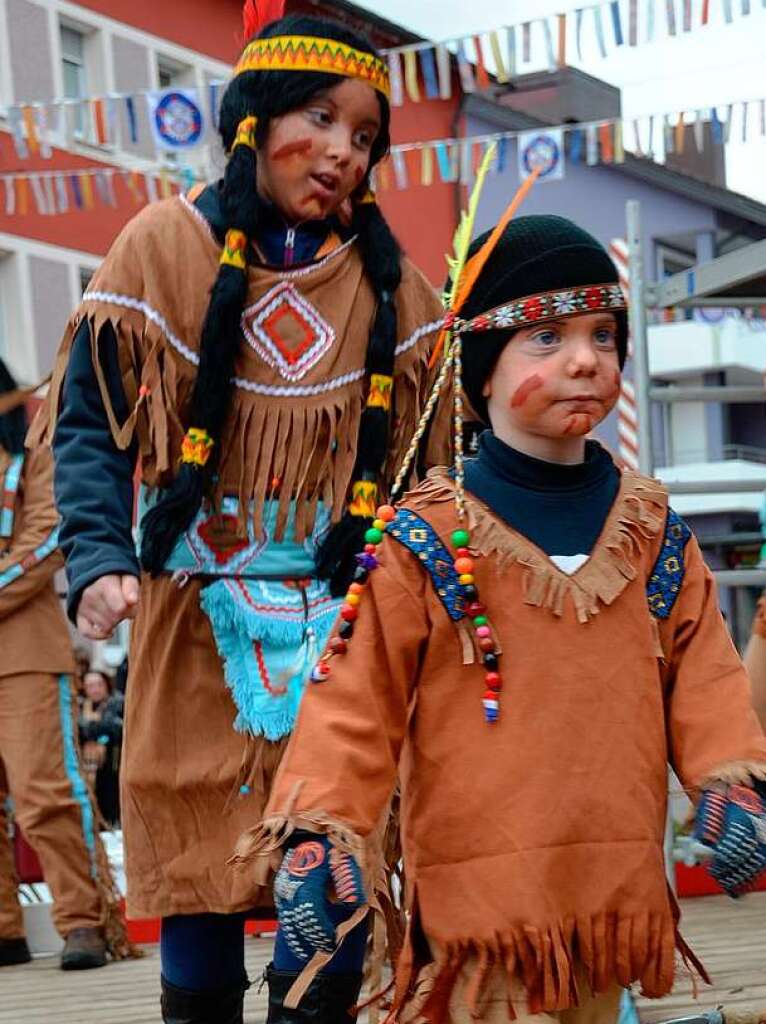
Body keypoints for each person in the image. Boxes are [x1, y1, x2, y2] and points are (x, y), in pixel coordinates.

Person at [236, 214, 766, 1024]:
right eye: (545, 337)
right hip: (480, 922)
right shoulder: (422, 538)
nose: (586, 358)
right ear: (481, 369)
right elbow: (354, 699)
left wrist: (728, 780)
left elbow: (706, 671)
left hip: (611, 907)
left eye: (602, 333)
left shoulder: (652, 531)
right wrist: (323, 830)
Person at [32, 3, 445, 1020]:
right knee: (196, 868)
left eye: (364, 137)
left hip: (345, 629)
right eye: (321, 120)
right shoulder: (158, 249)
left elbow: (435, 467)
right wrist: (96, 554)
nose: (344, 153)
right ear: (252, 124)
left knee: (333, 872)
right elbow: (87, 423)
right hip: (191, 619)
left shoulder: (398, 291)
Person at [0, 358, 132, 971]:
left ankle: (84, 922)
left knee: (42, 794)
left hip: (22, 653)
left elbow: (50, 537)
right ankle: (4, 930)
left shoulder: (34, 453)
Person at [78, 667, 123, 826]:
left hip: (114, 764)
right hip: (88, 766)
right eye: (90, 686)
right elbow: (80, 731)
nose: (95, 689)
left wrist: (95, 728)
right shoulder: (81, 706)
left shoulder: (118, 703)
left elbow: (116, 729)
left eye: (99, 684)